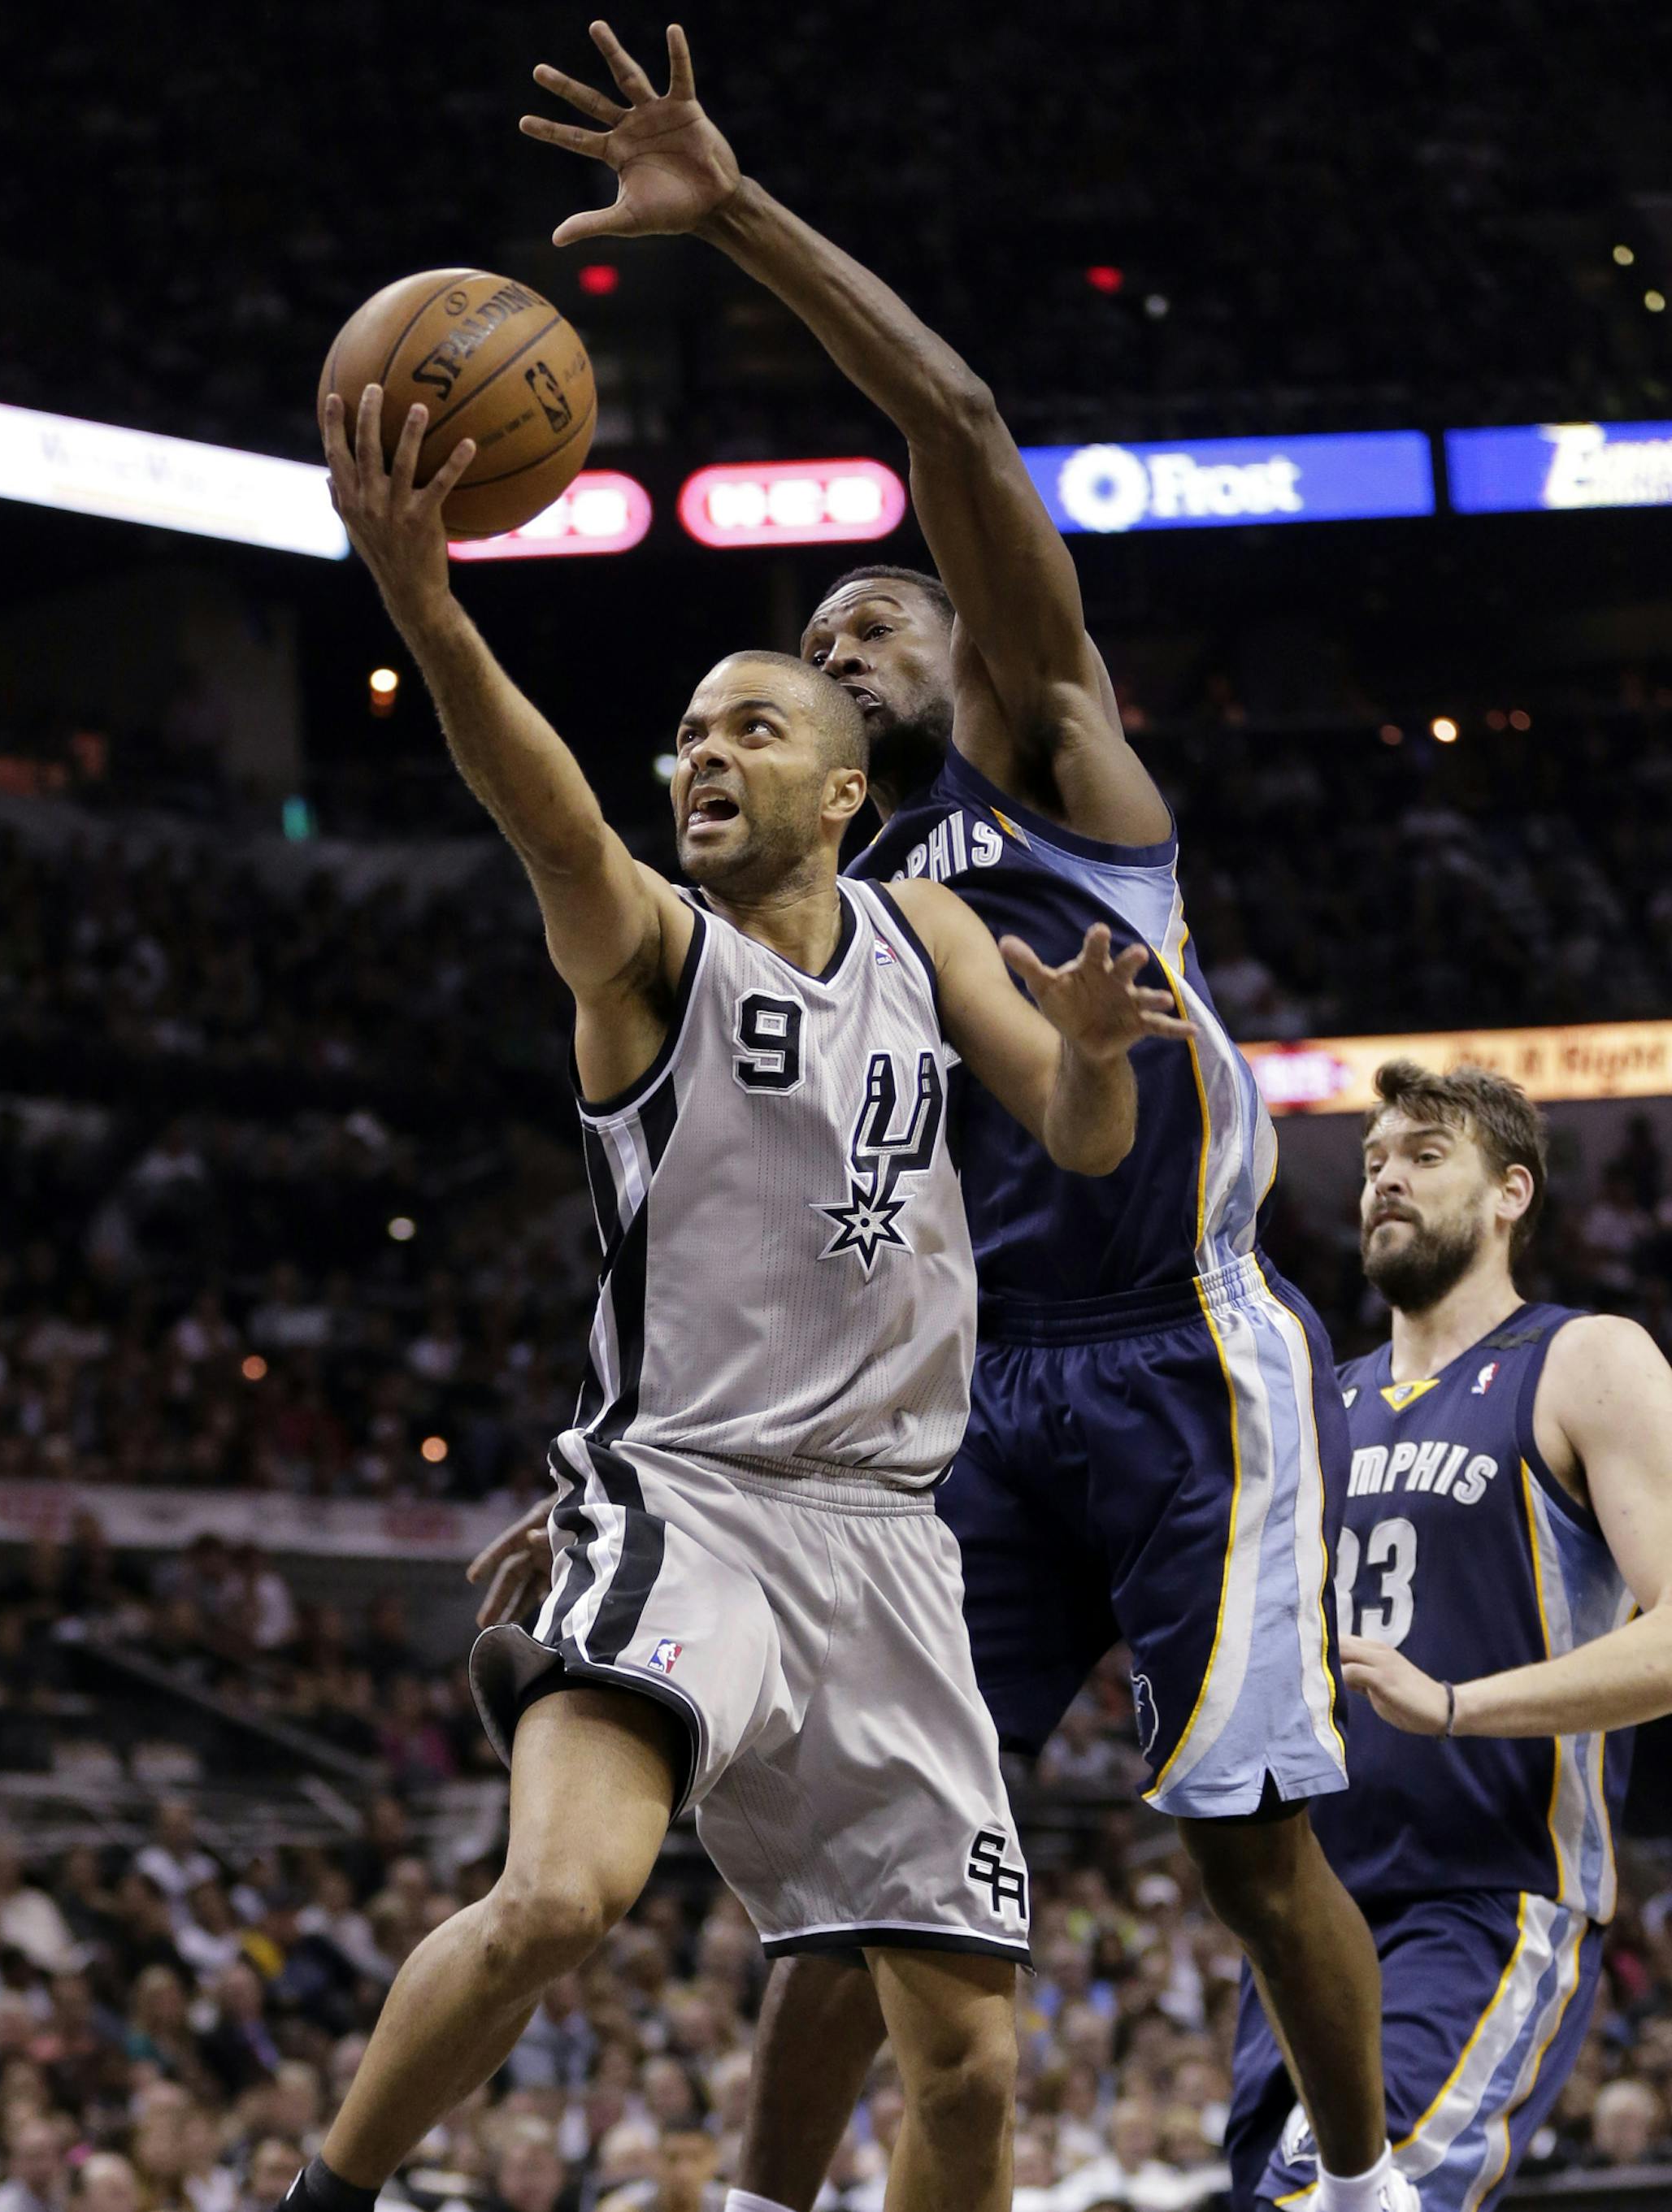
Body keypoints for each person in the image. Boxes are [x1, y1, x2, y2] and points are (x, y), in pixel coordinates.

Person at [515, 24, 1401, 2212]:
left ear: (963, 649)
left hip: (1181, 1354)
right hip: (952, 1411)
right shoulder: (807, 922)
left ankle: (1372, 2183)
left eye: (882, 609)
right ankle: (765, 2198)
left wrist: (733, 221)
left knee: (1242, 1836)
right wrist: (626, 1474)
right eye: (821, 636)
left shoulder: (1060, 776)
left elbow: (960, 421)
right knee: (875, 1882)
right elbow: (705, 1222)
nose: (851, 633)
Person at [286, 371, 1186, 2212]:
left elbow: (1084, 1139)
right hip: (690, 1497)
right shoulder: (644, 951)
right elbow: (542, 808)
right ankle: (326, 2195)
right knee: (561, 1896)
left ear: (845, 786)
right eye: (688, 733)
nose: (701, 756)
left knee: (971, 2069)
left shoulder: (929, 929)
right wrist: (428, 606)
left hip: (894, 1536)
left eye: (750, 729)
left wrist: (1099, 1051)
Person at [1227, 1061, 1672, 2207]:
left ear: (1512, 1191)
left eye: (1426, 1156)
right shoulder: (1322, 1396)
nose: (1387, 1179)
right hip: (1306, 1904)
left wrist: (1461, 1703)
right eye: (1375, 1160)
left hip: (1482, 1897)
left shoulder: (1586, 1359)